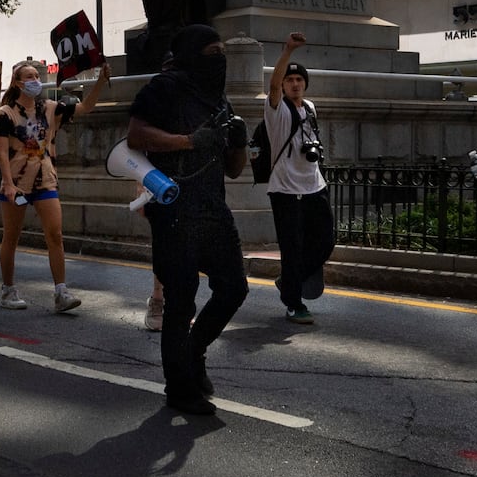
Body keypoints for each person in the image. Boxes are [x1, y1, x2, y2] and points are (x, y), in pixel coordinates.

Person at [127, 24, 249, 415]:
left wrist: (239, 142)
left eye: (222, 53)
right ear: (193, 54)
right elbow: (135, 135)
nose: (220, 60)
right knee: (180, 302)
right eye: (212, 53)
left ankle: (193, 352)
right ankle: (179, 388)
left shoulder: (219, 100)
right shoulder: (164, 88)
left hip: (213, 206)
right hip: (175, 207)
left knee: (234, 288)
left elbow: (233, 170)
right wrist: (189, 141)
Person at [0, 60, 112, 312]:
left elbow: (86, 107)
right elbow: (2, 153)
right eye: (29, 76)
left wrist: (101, 81)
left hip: (46, 180)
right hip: (16, 184)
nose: (35, 80)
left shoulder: (50, 107)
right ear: (17, 82)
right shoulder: (5, 113)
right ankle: (8, 290)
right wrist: (7, 183)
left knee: (55, 234)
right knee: (11, 237)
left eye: (38, 75)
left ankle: (61, 292)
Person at [263, 32, 336, 324]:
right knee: (291, 248)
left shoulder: (311, 108)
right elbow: (271, 86)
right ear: (283, 85)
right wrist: (288, 51)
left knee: (326, 241)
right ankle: (294, 303)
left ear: (305, 85)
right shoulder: (276, 111)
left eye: (299, 81)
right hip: (285, 190)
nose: (295, 84)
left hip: (314, 186)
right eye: (289, 80)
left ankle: (290, 279)